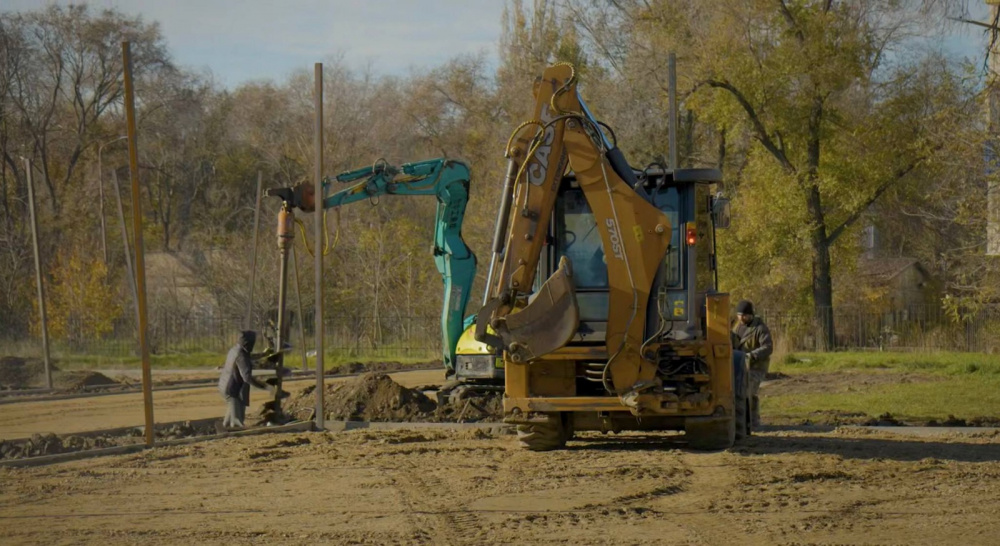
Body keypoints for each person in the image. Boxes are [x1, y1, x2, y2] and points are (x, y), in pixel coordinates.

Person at [218, 330, 272, 429]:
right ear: (248, 343)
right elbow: (247, 377)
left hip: (225, 387)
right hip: (231, 390)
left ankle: (223, 429)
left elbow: (248, 357)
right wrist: (264, 385)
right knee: (237, 421)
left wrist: (263, 354)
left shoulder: (235, 349)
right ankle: (232, 436)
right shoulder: (241, 355)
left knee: (232, 415)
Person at [732, 300, 772, 427]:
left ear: (750, 315)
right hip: (740, 367)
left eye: (744, 315)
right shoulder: (736, 327)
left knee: (749, 391)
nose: (741, 318)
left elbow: (767, 347)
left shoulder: (760, 329)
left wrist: (751, 355)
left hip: (756, 367)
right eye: (739, 315)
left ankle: (753, 421)